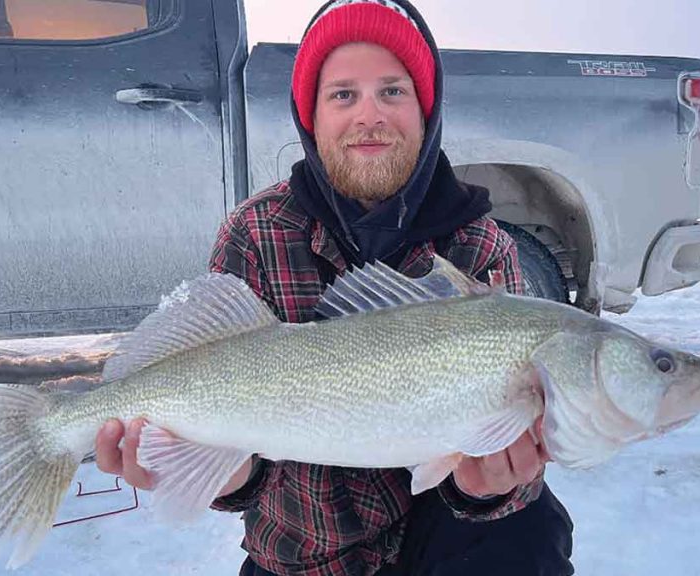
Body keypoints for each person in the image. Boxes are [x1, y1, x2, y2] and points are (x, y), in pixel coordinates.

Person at [95, 1, 574, 574]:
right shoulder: (257, 232)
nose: (369, 115)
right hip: (308, 553)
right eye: (343, 95)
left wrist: (485, 489)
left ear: (425, 111)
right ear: (311, 118)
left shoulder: (481, 245)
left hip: (438, 541)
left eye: (392, 91)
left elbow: (515, 467)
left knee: (529, 532)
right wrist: (222, 472)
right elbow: (243, 473)